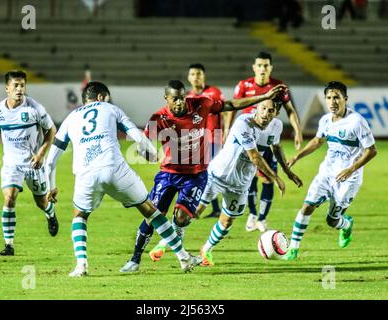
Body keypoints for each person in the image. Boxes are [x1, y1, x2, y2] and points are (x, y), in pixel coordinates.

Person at [120, 80, 287, 272]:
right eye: (175, 99)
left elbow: (231, 104)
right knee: (152, 215)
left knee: (182, 217)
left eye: (182, 97)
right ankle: (135, 259)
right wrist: (147, 153)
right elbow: (144, 145)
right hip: (168, 173)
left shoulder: (201, 104)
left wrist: (264, 96)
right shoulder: (158, 118)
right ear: (166, 98)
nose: (180, 102)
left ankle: (181, 253)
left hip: (195, 175)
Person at [45, 81, 203, 277]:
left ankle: (81, 265)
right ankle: (184, 257)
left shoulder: (70, 118)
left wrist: (50, 186)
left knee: (80, 216)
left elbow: (50, 161)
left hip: (85, 173)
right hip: (114, 169)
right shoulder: (111, 109)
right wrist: (153, 153)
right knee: (151, 211)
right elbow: (136, 135)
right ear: (102, 97)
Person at [196, 99, 302, 266]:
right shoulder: (243, 122)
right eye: (263, 108)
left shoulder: (276, 126)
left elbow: (276, 147)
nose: (266, 113)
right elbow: (254, 156)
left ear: (276, 113)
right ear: (256, 108)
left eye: (270, 110)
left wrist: (288, 172)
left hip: (240, 183)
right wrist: (276, 177)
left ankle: (206, 249)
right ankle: (166, 243)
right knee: (195, 211)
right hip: (219, 175)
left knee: (227, 220)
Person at [283, 81, 377, 260]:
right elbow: (318, 141)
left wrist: (351, 168)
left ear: (345, 99)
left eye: (337, 98)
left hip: (349, 178)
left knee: (332, 220)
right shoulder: (325, 120)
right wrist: (297, 156)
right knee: (307, 206)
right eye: (329, 98)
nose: (332, 102)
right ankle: (293, 249)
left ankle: (346, 224)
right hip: (327, 173)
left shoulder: (357, 122)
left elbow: (371, 150)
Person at [0, 70, 59, 256]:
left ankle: (51, 214)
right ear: (7, 88)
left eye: (22, 85)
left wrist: (41, 153)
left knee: (42, 202)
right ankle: (9, 245)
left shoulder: (34, 109)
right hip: (11, 164)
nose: (20, 89)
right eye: (16, 85)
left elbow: (51, 130)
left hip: (33, 164)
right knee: (9, 197)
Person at [224, 51, 303, 233]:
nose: (262, 69)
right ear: (254, 67)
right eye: (259, 65)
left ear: (271, 68)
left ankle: (262, 218)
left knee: (268, 180)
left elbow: (290, 110)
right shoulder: (244, 85)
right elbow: (232, 107)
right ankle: (252, 214)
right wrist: (228, 129)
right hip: (247, 140)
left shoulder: (279, 87)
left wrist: (297, 130)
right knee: (249, 178)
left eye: (266, 65)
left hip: (267, 141)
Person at [186, 63, 225, 218]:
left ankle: (204, 205)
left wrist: (227, 129)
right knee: (201, 172)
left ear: (204, 76)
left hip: (214, 138)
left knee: (211, 172)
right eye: (193, 74)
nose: (196, 77)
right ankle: (213, 207)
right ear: (189, 78)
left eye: (199, 74)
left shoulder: (214, 92)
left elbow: (226, 111)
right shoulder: (188, 97)